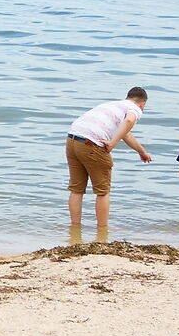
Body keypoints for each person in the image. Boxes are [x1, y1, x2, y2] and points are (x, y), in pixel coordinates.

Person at [65, 87, 151, 242]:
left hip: (72, 138)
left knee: (76, 189)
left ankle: (75, 231)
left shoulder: (114, 105)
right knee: (102, 190)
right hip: (91, 143)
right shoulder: (134, 109)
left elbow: (125, 132)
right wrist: (112, 143)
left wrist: (141, 151)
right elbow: (130, 121)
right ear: (143, 104)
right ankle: (102, 232)